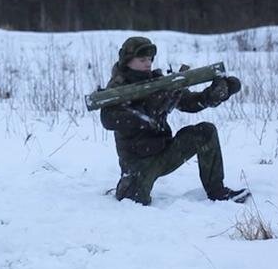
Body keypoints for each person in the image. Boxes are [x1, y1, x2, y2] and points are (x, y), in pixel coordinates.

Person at [100, 36, 249, 206]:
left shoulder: (157, 82)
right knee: (133, 201)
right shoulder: (117, 88)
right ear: (127, 61)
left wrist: (212, 96)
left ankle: (217, 191)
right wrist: (147, 111)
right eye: (142, 60)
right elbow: (108, 119)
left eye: (150, 59)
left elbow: (190, 103)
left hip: (164, 152)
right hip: (138, 164)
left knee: (205, 132)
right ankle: (128, 186)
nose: (148, 64)